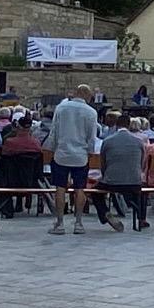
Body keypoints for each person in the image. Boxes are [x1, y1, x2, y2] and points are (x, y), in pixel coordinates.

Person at [48, 85, 101, 235]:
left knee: (60, 188)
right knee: (80, 189)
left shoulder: (61, 108)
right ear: (88, 96)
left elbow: (54, 130)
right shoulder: (91, 112)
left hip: (62, 153)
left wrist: (53, 149)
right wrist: (90, 152)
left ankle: (59, 223)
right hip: (80, 155)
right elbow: (92, 136)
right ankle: (78, 223)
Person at [94, 116, 148, 231]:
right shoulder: (139, 142)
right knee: (140, 191)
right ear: (129, 125)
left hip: (111, 181)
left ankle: (105, 213)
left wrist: (105, 176)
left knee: (95, 193)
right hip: (133, 181)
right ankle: (141, 218)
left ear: (116, 125)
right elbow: (142, 163)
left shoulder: (107, 141)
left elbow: (103, 164)